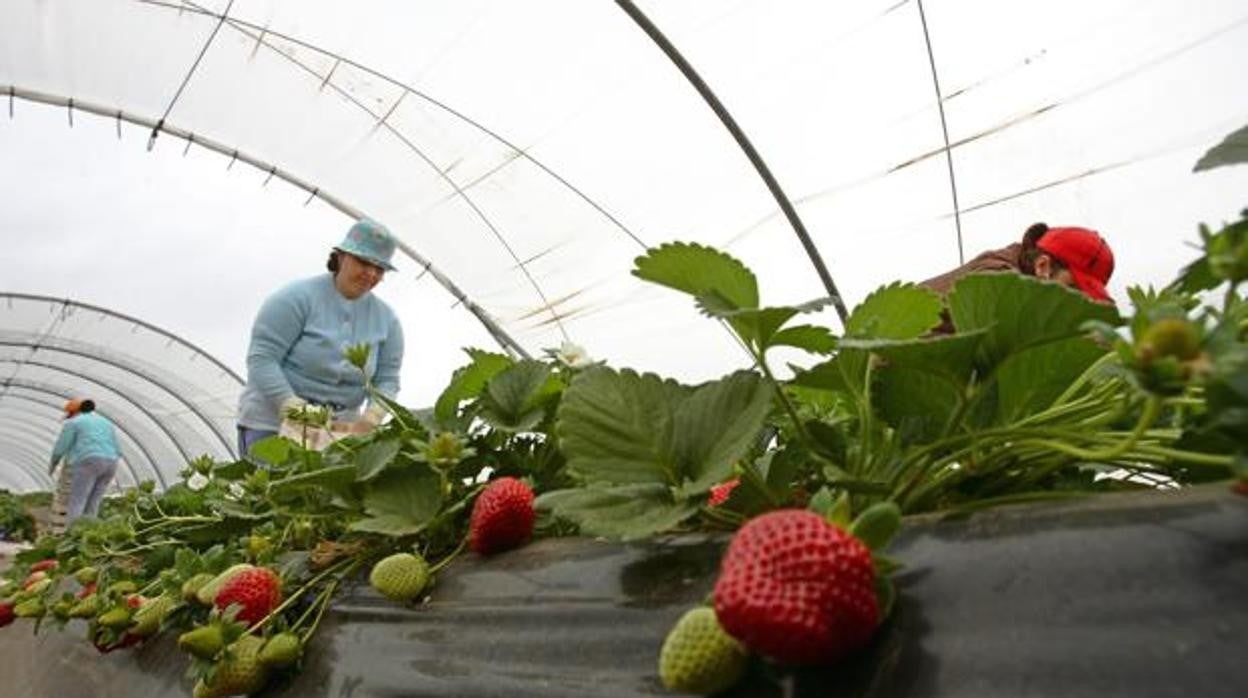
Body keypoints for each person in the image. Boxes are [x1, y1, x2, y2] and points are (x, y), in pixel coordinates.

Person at [236, 218, 405, 458]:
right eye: (363, 262)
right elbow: (262, 359)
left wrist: (371, 418)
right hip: (272, 425)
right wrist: (292, 408)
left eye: (379, 268)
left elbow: (387, 379)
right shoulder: (294, 299)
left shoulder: (388, 321)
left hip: (339, 435)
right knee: (273, 493)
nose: (371, 273)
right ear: (341, 256)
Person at [919, 223, 1115, 333]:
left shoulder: (1021, 274)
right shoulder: (997, 280)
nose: (1075, 303)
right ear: (1042, 266)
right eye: (1073, 290)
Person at [49, 398, 121, 522]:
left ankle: (73, 535)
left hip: (89, 461)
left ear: (75, 412)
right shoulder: (106, 423)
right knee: (94, 502)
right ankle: (87, 534)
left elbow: (61, 447)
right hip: (111, 463)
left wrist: (53, 464)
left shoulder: (74, 423)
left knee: (77, 500)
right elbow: (118, 448)